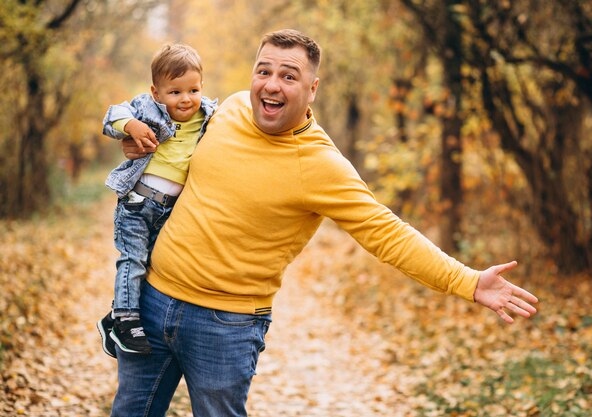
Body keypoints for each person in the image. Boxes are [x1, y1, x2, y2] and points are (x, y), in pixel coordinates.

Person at [111, 29, 539, 417]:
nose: (272, 84)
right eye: (264, 71)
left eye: (289, 76)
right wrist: (138, 144)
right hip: (152, 298)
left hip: (226, 324)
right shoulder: (229, 110)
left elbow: (387, 233)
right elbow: (172, 137)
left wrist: (467, 281)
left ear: (312, 89)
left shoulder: (322, 165)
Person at [96, 43, 218, 357]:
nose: (186, 99)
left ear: (202, 87)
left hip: (171, 210)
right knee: (133, 260)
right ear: (157, 93)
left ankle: (114, 318)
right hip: (138, 203)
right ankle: (125, 320)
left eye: (193, 89)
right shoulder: (146, 108)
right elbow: (113, 116)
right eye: (175, 92)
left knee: (154, 265)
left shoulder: (209, 116)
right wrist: (132, 126)